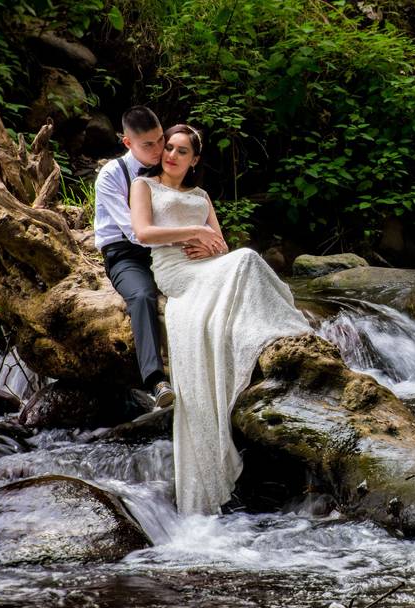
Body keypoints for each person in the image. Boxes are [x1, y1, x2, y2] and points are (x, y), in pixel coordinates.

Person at [130, 124, 311, 515]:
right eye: (169, 149)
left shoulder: (201, 195)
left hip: (207, 265)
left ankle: (267, 333)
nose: (172, 156)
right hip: (176, 271)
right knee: (246, 259)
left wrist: (208, 241)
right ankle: (280, 328)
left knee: (241, 256)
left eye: (181, 152)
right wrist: (194, 231)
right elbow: (143, 233)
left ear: (194, 160)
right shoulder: (145, 186)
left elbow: (221, 243)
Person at [94, 106, 175, 408]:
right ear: (128, 143)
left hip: (166, 249)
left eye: (160, 140)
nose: (158, 150)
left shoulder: (168, 166)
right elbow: (133, 231)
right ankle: (156, 380)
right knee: (142, 296)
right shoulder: (112, 175)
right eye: (148, 145)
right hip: (125, 253)